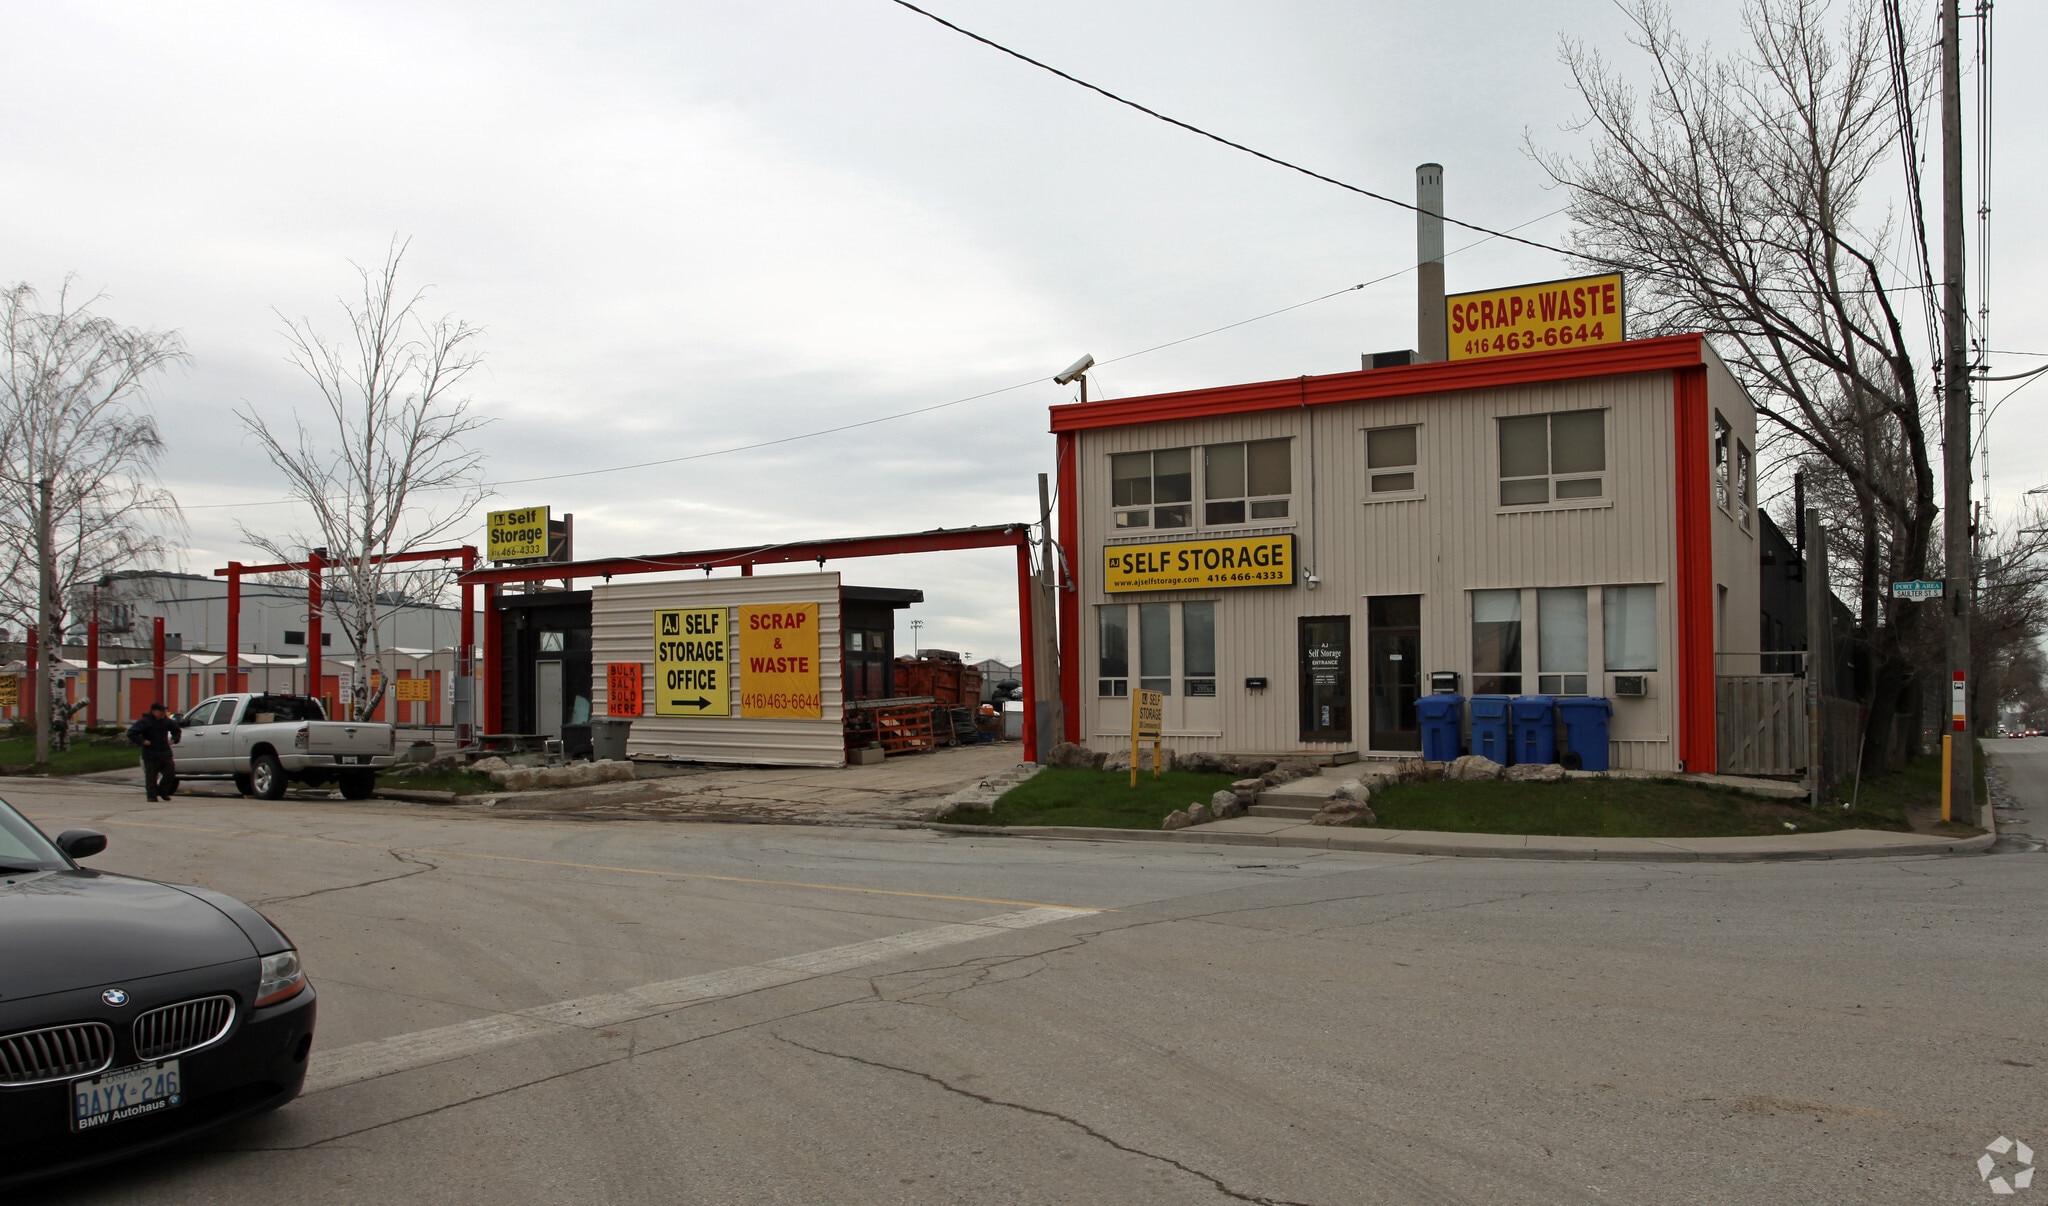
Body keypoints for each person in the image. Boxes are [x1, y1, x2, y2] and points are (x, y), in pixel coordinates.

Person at [127, 700, 182, 802]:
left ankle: (162, 791)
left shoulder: (166, 722)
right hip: (151, 753)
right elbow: (131, 733)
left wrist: (174, 739)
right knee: (151, 776)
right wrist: (142, 741)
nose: (163, 713)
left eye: (164, 711)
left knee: (170, 772)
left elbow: (177, 730)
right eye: (160, 711)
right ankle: (152, 795)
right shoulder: (145, 722)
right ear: (153, 711)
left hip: (165, 752)